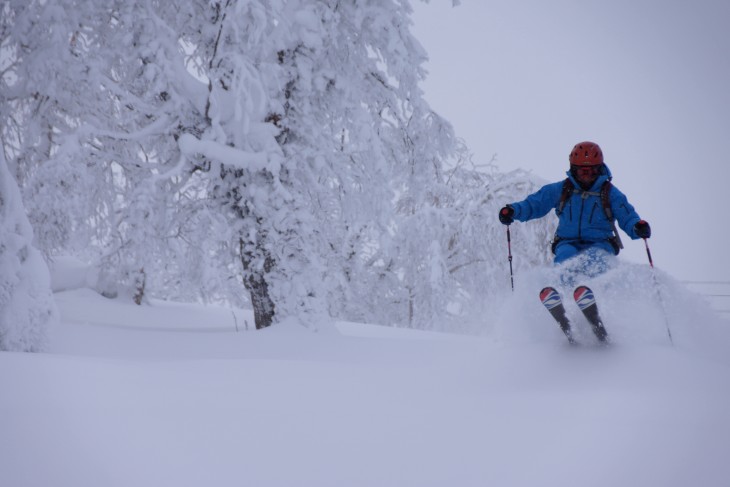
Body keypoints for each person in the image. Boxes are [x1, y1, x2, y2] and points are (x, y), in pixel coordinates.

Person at [497, 141, 651, 344]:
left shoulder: (610, 193)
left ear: (599, 169)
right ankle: (563, 311)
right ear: (573, 169)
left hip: (601, 243)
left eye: (591, 170)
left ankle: (597, 315)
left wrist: (636, 227)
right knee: (564, 263)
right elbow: (535, 203)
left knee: (597, 262)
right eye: (581, 170)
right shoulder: (562, 190)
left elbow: (627, 215)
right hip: (567, 242)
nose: (586, 174)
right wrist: (514, 211)